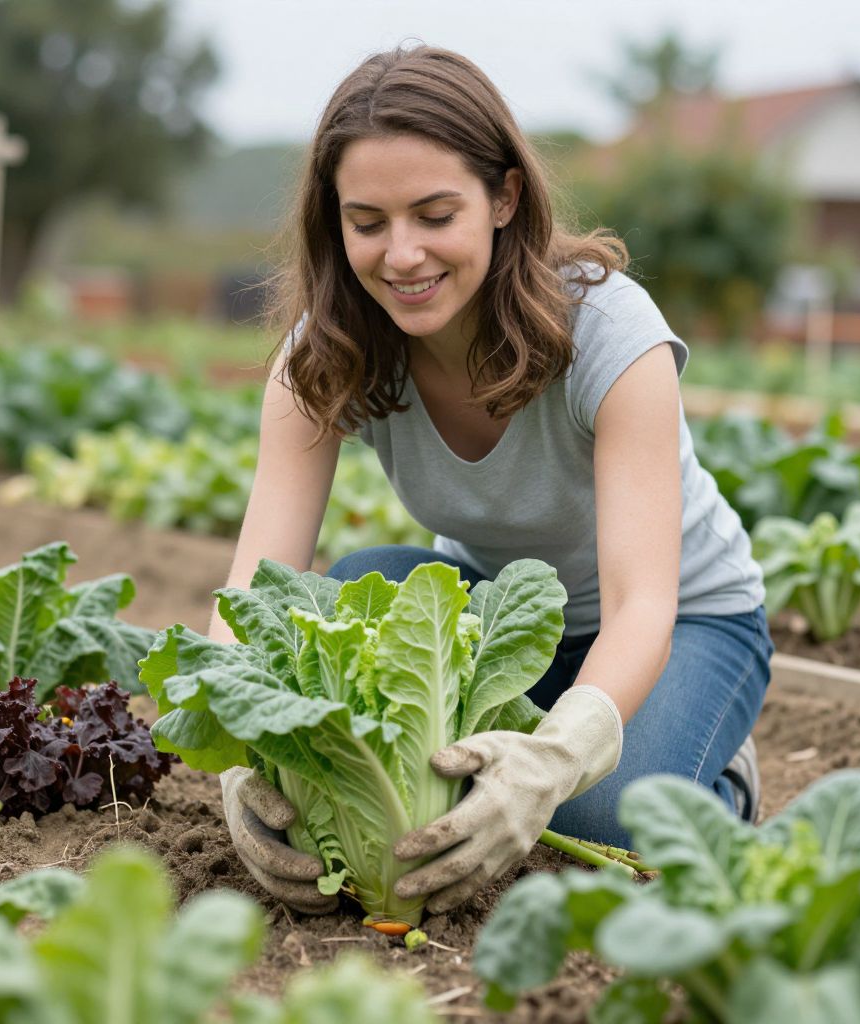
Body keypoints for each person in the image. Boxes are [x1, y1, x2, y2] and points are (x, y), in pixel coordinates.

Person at [210, 44, 774, 917]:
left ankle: (714, 771)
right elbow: (252, 590)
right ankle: (524, 751)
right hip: (504, 632)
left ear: (504, 198)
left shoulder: (612, 333)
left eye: (436, 214)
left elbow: (643, 604)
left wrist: (553, 760)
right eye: (367, 222)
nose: (402, 254)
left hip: (684, 628)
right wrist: (243, 753)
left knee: (595, 821)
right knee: (356, 592)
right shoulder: (322, 359)